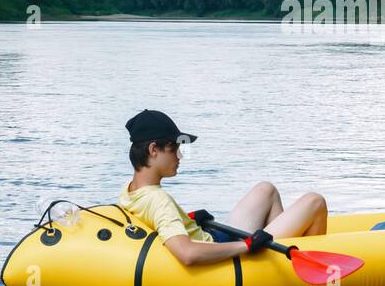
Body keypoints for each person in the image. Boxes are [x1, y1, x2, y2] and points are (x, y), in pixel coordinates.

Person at [118, 109, 328, 267]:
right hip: (218, 249)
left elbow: (156, 218)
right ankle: (312, 265)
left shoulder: (129, 190)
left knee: (267, 190)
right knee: (315, 201)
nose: (179, 156)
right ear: (154, 150)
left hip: (214, 237)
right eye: (174, 149)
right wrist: (247, 245)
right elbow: (187, 253)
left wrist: (187, 220)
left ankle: (281, 262)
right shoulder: (158, 200)